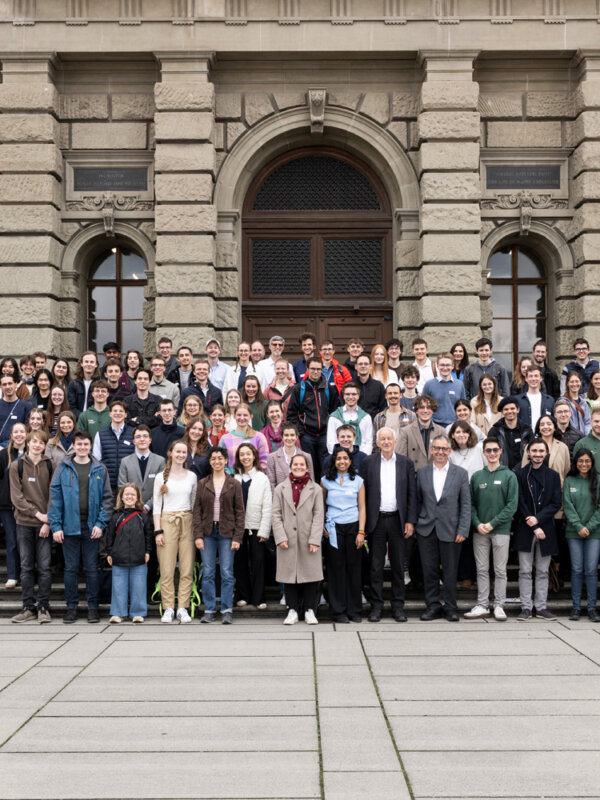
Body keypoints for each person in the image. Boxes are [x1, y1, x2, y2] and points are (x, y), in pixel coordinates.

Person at [48, 430, 112, 623]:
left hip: (92, 527)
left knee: (92, 568)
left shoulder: (100, 468)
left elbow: (107, 499)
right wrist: (56, 526)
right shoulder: (63, 467)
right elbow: (55, 498)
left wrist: (100, 523)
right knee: (71, 569)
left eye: (86, 444)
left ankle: (93, 608)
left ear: (90, 446)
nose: (82, 447)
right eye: (79, 444)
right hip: (69, 527)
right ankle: (71, 608)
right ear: (73, 446)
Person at [360, 427, 416, 622]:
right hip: (376, 520)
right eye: (382, 439)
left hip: (398, 520)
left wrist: (410, 520)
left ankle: (398, 606)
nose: (385, 442)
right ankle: (376, 606)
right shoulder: (368, 462)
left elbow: (411, 494)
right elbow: (363, 494)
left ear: (395, 441)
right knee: (375, 566)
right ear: (377, 443)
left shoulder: (406, 463)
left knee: (398, 566)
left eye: (389, 439)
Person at [415, 434, 471, 622]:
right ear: (431, 450)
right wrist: (417, 524)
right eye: (437, 448)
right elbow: (417, 501)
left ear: (449, 451)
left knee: (450, 571)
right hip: (426, 529)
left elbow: (465, 504)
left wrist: (463, 529)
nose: (440, 452)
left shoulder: (460, 473)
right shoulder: (422, 472)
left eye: (444, 449)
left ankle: (450, 607)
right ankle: (432, 606)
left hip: (452, 530)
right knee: (429, 570)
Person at [464, 437, 519, 622]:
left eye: (495, 450)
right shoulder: (477, 476)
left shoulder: (509, 476)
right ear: (484, 453)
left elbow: (511, 506)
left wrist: (492, 523)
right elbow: (471, 504)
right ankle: (482, 604)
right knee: (481, 569)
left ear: (501, 451)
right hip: (480, 531)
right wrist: (477, 523)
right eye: (489, 450)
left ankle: (499, 605)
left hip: (501, 530)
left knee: (500, 570)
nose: (492, 453)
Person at [193, 445, 245, 624]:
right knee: (208, 572)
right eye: (213, 458)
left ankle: (226, 609)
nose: (217, 461)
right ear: (209, 462)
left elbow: (240, 512)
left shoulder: (234, 484)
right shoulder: (203, 483)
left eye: (220, 458)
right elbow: (197, 511)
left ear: (226, 461)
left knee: (226, 572)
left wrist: (237, 537)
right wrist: (198, 536)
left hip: (227, 533)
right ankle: (209, 609)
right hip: (207, 533)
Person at [272, 453, 324, 625]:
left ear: (307, 467)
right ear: (290, 466)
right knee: (289, 575)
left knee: (310, 573)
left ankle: (309, 609)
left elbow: (318, 515)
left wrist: (315, 539)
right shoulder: (280, 489)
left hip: (308, 537)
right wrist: (280, 536)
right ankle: (292, 609)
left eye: (302, 464)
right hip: (287, 537)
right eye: (295, 464)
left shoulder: (315, 489)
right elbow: (276, 514)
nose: (299, 467)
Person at [513, 439, 563, 621]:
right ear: (528, 452)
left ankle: (541, 607)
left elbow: (556, 503)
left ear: (546, 453)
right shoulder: (520, 474)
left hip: (546, 529)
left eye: (541, 451)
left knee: (542, 571)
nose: (538, 454)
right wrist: (533, 524)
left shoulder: (553, 476)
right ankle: (526, 607)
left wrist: (538, 519)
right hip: (525, 528)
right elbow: (519, 501)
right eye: (534, 451)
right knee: (525, 571)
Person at [8, 429, 53, 623]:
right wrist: (37, 514)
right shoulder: (16, 466)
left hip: (45, 525)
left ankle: (43, 607)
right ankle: (28, 607)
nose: (37, 445)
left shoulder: (50, 464)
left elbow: (55, 495)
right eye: (34, 441)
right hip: (24, 523)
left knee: (44, 567)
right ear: (28, 443)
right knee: (26, 567)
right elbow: (17, 498)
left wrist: (48, 521)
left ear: (44, 446)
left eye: (41, 443)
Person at [152, 440, 198, 624]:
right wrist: (158, 531)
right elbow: (157, 506)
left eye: (184, 452)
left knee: (187, 567)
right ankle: (168, 607)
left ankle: (183, 607)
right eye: (178, 451)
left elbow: (194, 503)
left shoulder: (192, 476)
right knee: (167, 568)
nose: (181, 455)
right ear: (170, 453)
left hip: (187, 520)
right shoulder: (160, 477)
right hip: (167, 520)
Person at [322, 446, 366, 623]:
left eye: (345, 458)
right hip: (333, 528)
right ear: (334, 461)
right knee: (335, 569)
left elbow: (362, 507)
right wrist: (322, 525)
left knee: (354, 568)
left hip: (353, 526)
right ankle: (338, 611)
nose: (342, 461)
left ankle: (354, 610)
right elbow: (321, 505)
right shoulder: (325, 481)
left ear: (350, 461)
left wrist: (361, 531)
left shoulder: (358, 481)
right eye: (338, 458)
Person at [106, 482, 153, 624]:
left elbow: (148, 536)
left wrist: (148, 551)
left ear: (138, 497)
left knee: (139, 586)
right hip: (119, 557)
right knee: (118, 586)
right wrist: (109, 553)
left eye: (133, 494)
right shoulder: (116, 517)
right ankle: (118, 613)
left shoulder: (143, 517)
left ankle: (138, 613)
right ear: (121, 497)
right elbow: (109, 537)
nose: (129, 497)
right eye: (126, 494)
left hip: (139, 557)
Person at [286, 356, 339, 482]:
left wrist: (330, 431)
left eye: (318, 369)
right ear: (307, 369)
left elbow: (335, 412)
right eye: (313, 369)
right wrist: (301, 432)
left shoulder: (328, 389)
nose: (316, 372)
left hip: (324, 435)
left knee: (325, 467)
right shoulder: (299, 389)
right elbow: (291, 414)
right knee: (309, 467)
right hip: (307, 436)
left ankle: (324, 492)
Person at [233, 443, 272, 609]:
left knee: (258, 562)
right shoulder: (234, 478)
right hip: (238, 528)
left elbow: (267, 506)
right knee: (240, 562)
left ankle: (258, 597)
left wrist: (264, 530)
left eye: (248, 454)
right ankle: (243, 595)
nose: (245, 457)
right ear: (238, 458)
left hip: (256, 527)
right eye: (242, 454)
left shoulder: (262, 478)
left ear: (254, 456)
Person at [563, 449, 600, 622]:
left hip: (594, 533)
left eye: (587, 461)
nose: (584, 464)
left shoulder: (598, 480)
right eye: (580, 461)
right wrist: (578, 526)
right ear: (575, 463)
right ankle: (576, 607)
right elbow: (568, 505)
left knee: (591, 570)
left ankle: (592, 608)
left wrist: (589, 527)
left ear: (592, 462)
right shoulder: (570, 480)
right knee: (577, 569)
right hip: (574, 532)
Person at [0, 422, 27, 588]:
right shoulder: (3, 455)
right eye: (16, 432)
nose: (19, 435)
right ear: (11, 435)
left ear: (26, 434)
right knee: (12, 541)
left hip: (28, 505)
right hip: (7, 506)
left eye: (22, 432)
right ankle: (12, 575)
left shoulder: (32, 452)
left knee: (26, 541)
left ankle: (27, 574)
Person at [118, 425, 166, 515]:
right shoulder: (125, 462)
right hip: (131, 510)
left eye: (145, 436)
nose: (142, 439)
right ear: (134, 441)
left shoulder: (160, 461)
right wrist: (135, 504)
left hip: (154, 511)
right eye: (138, 437)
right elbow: (122, 487)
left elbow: (161, 487)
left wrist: (148, 506)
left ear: (150, 440)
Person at [92, 400, 136, 495]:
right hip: (107, 484)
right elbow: (96, 460)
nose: (118, 413)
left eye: (121, 411)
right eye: (115, 411)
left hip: (128, 484)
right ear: (110, 414)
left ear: (125, 414)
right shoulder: (100, 434)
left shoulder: (133, 433)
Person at [396, 395, 446, 473]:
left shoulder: (441, 431)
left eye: (428, 408)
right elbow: (401, 458)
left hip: (435, 474)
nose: (425, 411)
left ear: (433, 410)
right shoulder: (406, 432)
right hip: (414, 475)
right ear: (416, 410)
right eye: (422, 407)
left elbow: (445, 456)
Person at [521, 415, 570, 484]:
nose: (546, 427)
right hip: (534, 487)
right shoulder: (530, 446)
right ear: (539, 428)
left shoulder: (563, 447)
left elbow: (567, 472)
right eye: (542, 425)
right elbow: (524, 470)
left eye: (549, 424)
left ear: (554, 427)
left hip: (557, 488)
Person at [327, 382, 373, 455]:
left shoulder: (366, 418)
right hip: (340, 457)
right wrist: (340, 457)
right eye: (347, 394)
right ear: (343, 396)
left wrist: (362, 457)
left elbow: (369, 442)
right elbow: (330, 442)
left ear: (358, 396)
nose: (350, 397)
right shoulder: (334, 417)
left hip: (360, 457)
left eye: (354, 394)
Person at [266, 421, 314, 492]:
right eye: (286, 435)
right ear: (282, 437)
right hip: (280, 497)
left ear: (297, 437)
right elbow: (271, 484)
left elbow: (311, 482)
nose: (289, 438)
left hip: (302, 496)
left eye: (292, 435)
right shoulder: (272, 457)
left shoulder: (306, 457)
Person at [488, 396, 534, 469]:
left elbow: (532, 452)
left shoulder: (527, 430)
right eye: (506, 409)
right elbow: (490, 453)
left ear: (518, 410)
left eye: (512, 408)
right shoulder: (495, 431)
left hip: (523, 471)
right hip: (501, 471)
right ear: (502, 412)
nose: (509, 411)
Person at [422, 352, 467, 426]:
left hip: (454, 425)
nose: (445, 368)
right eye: (442, 365)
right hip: (434, 425)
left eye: (448, 365)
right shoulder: (429, 385)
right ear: (437, 366)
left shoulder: (459, 385)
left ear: (452, 366)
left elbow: (463, 407)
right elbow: (423, 407)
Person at [220, 403, 269, 469]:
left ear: (251, 416)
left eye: (245, 415)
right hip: (232, 475)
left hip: (254, 475)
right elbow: (221, 462)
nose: (242, 418)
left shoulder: (259, 437)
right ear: (234, 416)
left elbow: (264, 461)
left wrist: (255, 474)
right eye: (239, 415)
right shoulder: (225, 439)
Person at [463, 337, 510, 402]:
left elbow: (506, 391)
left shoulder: (500, 369)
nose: (484, 353)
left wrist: (501, 405)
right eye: (481, 350)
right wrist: (470, 405)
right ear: (477, 351)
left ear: (491, 351)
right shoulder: (469, 369)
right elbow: (465, 392)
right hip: (477, 405)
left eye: (486, 350)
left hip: (495, 405)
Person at [373, 383, 416, 447]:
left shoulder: (411, 416)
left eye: (395, 393)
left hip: (404, 452)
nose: (393, 395)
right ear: (386, 396)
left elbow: (414, 440)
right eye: (390, 393)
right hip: (385, 452)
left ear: (401, 395)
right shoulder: (379, 418)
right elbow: (376, 442)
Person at [516, 365, 555, 430]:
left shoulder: (550, 400)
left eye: (536, 376)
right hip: (524, 435)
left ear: (541, 378)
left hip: (544, 435)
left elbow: (554, 421)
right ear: (526, 379)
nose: (533, 379)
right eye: (530, 376)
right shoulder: (518, 400)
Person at [0, 375, 30, 447]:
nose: (8, 387)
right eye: (4, 384)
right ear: (0, 387)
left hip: (18, 447)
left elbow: (28, 430)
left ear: (16, 384)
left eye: (10, 383)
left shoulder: (26, 406)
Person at [68, 351, 100, 415]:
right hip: (77, 419)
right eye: (86, 361)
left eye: (92, 362)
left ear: (96, 364)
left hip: (94, 418)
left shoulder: (100, 384)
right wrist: (83, 417)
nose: (89, 364)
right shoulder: (73, 384)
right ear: (81, 364)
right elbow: (71, 406)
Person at [354, 354, 387, 419]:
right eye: (360, 364)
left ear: (370, 366)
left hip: (374, 422)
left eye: (366, 364)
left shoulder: (379, 386)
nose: (363, 366)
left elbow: (383, 409)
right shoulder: (350, 386)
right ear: (356, 366)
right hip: (353, 422)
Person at [560, 370, 591, 435]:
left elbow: (588, 422)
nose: (574, 384)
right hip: (569, 438)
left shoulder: (584, 402)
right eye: (572, 382)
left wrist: (586, 436)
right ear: (567, 383)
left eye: (577, 381)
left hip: (583, 438)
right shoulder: (562, 402)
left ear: (580, 383)